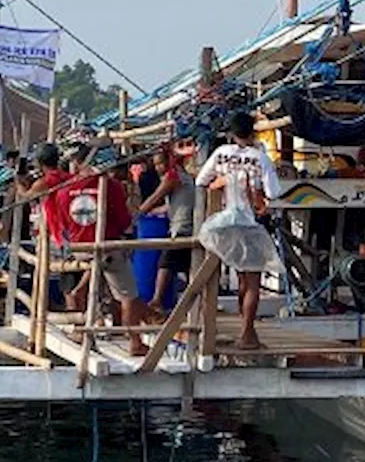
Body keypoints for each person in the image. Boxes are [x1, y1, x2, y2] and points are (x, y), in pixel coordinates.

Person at [41, 149, 161, 356]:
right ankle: (134, 341)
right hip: (107, 247)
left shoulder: (64, 190)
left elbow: (62, 223)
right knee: (128, 295)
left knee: (93, 277)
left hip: (80, 249)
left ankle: (81, 325)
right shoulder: (111, 187)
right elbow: (123, 221)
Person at [195, 111, 282, 350]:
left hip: (226, 223)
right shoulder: (260, 158)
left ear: (232, 134)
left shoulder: (221, 154)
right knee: (253, 280)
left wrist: (221, 181)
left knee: (241, 277)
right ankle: (247, 333)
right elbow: (274, 193)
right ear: (252, 132)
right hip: (251, 223)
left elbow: (200, 180)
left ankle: (245, 329)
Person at [137, 142, 197, 313]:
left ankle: (156, 300)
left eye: (160, 163)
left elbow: (155, 197)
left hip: (181, 228)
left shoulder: (173, 177)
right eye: (155, 164)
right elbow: (171, 204)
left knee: (165, 264)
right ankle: (193, 305)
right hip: (186, 226)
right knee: (187, 269)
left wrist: (136, 215)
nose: (157, 168)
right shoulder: (183, 176)